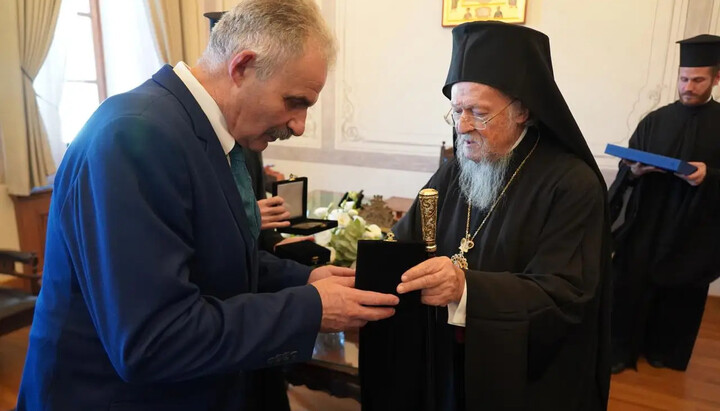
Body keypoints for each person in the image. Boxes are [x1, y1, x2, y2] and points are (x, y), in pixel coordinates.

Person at [17, 0, 399, 409]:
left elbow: (211, 257)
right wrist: (310, 309)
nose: (299, 125)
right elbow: (153, 340)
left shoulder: (200, 131)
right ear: (242, 67)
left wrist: (305, 281)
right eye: (295, 101)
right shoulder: (134, 137)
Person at [392, 21, 611, 410]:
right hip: (445, 361)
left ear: (523, 110)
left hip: (522, 380)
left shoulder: (572, 184)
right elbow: (409, 236)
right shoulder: (455, 168)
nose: (462, 127)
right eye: (456, 111)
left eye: (479, 112)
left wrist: (466, 288)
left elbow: (564, 295)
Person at [608, 34, 720, 373]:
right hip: (649, 219)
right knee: (630, 285)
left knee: (681, 292)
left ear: (716, 78)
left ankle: (666, 354)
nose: (688, 86)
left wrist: (710, 176)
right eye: (683, 78)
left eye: (697, 80)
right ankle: (621, 352)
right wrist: (635, 171)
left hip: (695, 226)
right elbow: (628, 169)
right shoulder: (654, 120)